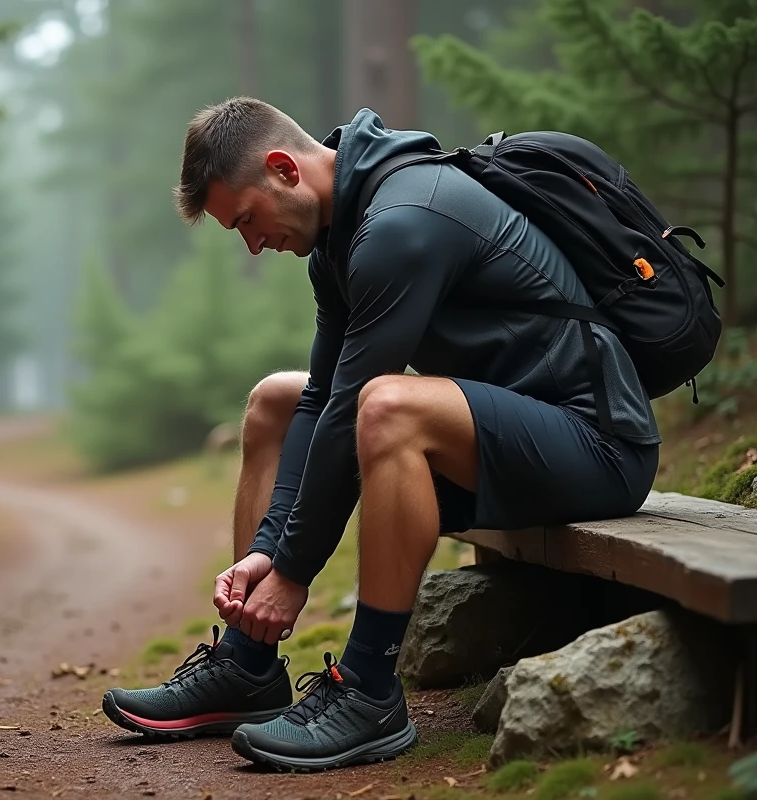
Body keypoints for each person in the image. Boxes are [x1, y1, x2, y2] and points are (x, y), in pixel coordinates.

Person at [101, 97, 660, 772]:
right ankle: (247, 662)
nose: (253, 244)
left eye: (247, 220)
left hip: (596, 445)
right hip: (501, 441)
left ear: (284, 169)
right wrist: (273, 555)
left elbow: (353, 410)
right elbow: (319, 399)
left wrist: (296, 573)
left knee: (387, 406)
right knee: (274, 401)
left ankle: (368, 690)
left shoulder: (405, 220)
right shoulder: (338, 240)